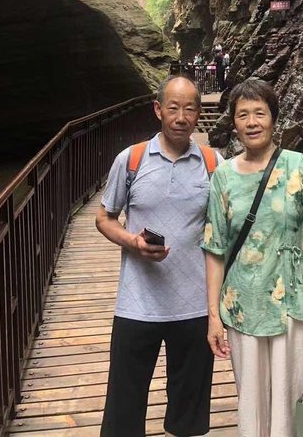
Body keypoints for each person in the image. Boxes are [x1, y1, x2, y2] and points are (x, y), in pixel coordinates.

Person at [202, 78, 303, 437]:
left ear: (274, 118)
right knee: (252, 399)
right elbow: (215, 250)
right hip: (243, 306)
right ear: (234, 122)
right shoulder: (223, 177)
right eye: (242, 114)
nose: (252, 122)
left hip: (295, 305)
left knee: (294, 395)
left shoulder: (301, 168)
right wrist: (213, 317)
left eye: (259, 113)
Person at [97, 75, 222, 437]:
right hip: (137, 303)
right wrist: (132, 242)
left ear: (198, 114)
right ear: (158, 110)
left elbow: (225, 229)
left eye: (189, 109)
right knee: (123, 408)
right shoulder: (131, 160)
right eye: (173, 108)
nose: (181, 117)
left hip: (195, 306)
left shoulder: (214, 163)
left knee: (189, 414)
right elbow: (104, 218)